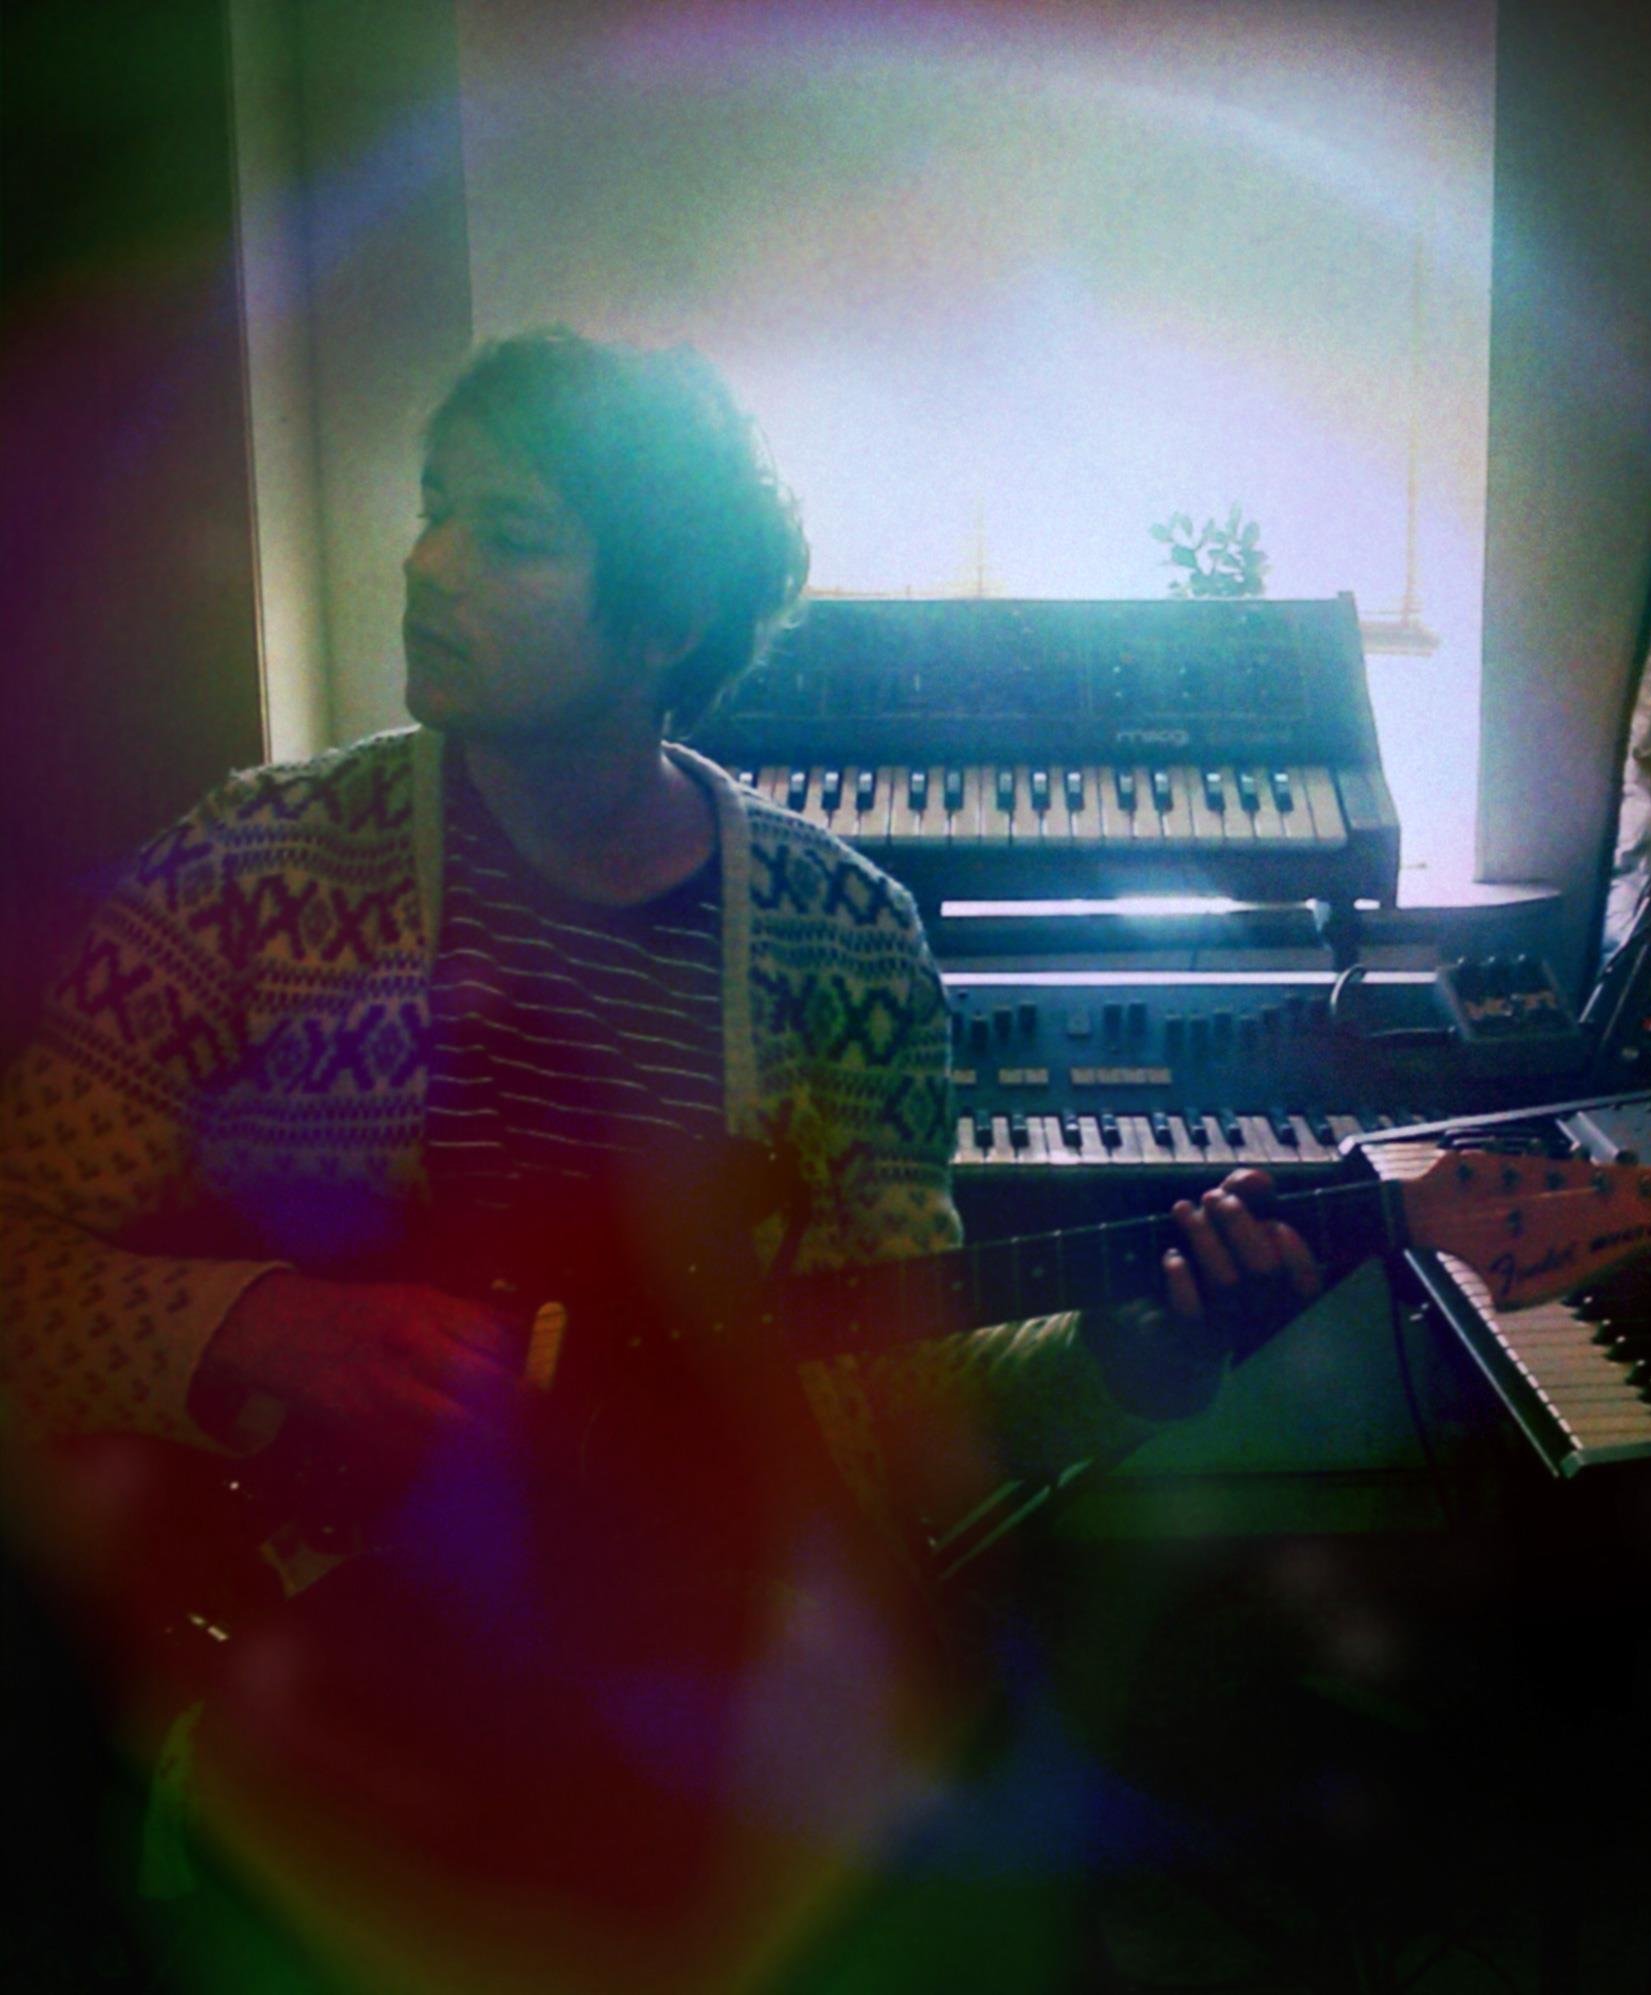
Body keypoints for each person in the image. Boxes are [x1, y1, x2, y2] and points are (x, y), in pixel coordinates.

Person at [0, 327, 1324, 1987]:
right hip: (317, 1666)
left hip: (704, 1703)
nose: (427, 563)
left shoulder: (845, 938)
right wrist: (259, 1326)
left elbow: (891, 1398)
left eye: (510, 535)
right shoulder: (246, 870)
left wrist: (1140, 1354)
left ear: (664, 625)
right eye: (435, 506)